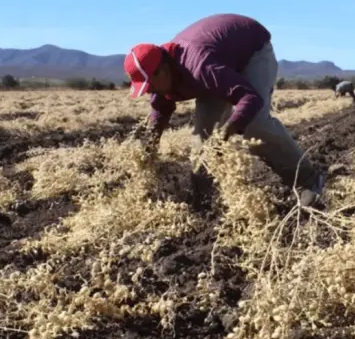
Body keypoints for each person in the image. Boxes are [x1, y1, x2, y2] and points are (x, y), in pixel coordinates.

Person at [123, 13, 325, 208]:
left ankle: (308, 181)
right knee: (203, 139)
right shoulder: (162, 78)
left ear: (163, 69)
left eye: (149, 84)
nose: (149, 91)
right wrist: (149, 149)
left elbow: (249, 98)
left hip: (251, 50)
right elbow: (160, 112)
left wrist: (231, 127)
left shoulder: (200, 68)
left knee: (255, 126)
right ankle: (203, 200)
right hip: (218, 62)